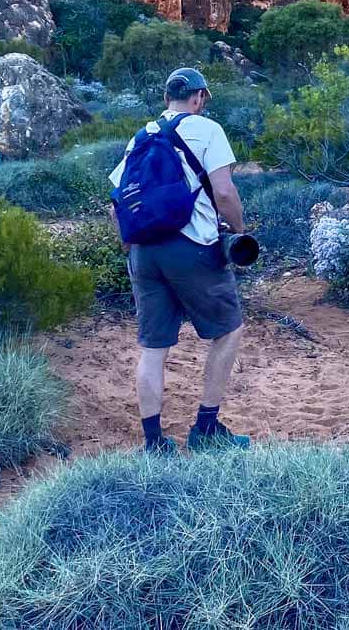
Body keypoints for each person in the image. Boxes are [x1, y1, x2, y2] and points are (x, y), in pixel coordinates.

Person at [107, 66, 250, 454]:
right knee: (228, 330)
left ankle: (154, 443)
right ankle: (205, 428)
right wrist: (239, 229)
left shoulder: (142, 136)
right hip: (191, 247)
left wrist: (131, 247)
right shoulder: (208, 130)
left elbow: (117, 202)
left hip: (143, 251)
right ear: (199, 97)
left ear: (167, 97)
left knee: (153, 349)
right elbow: (223, 192)